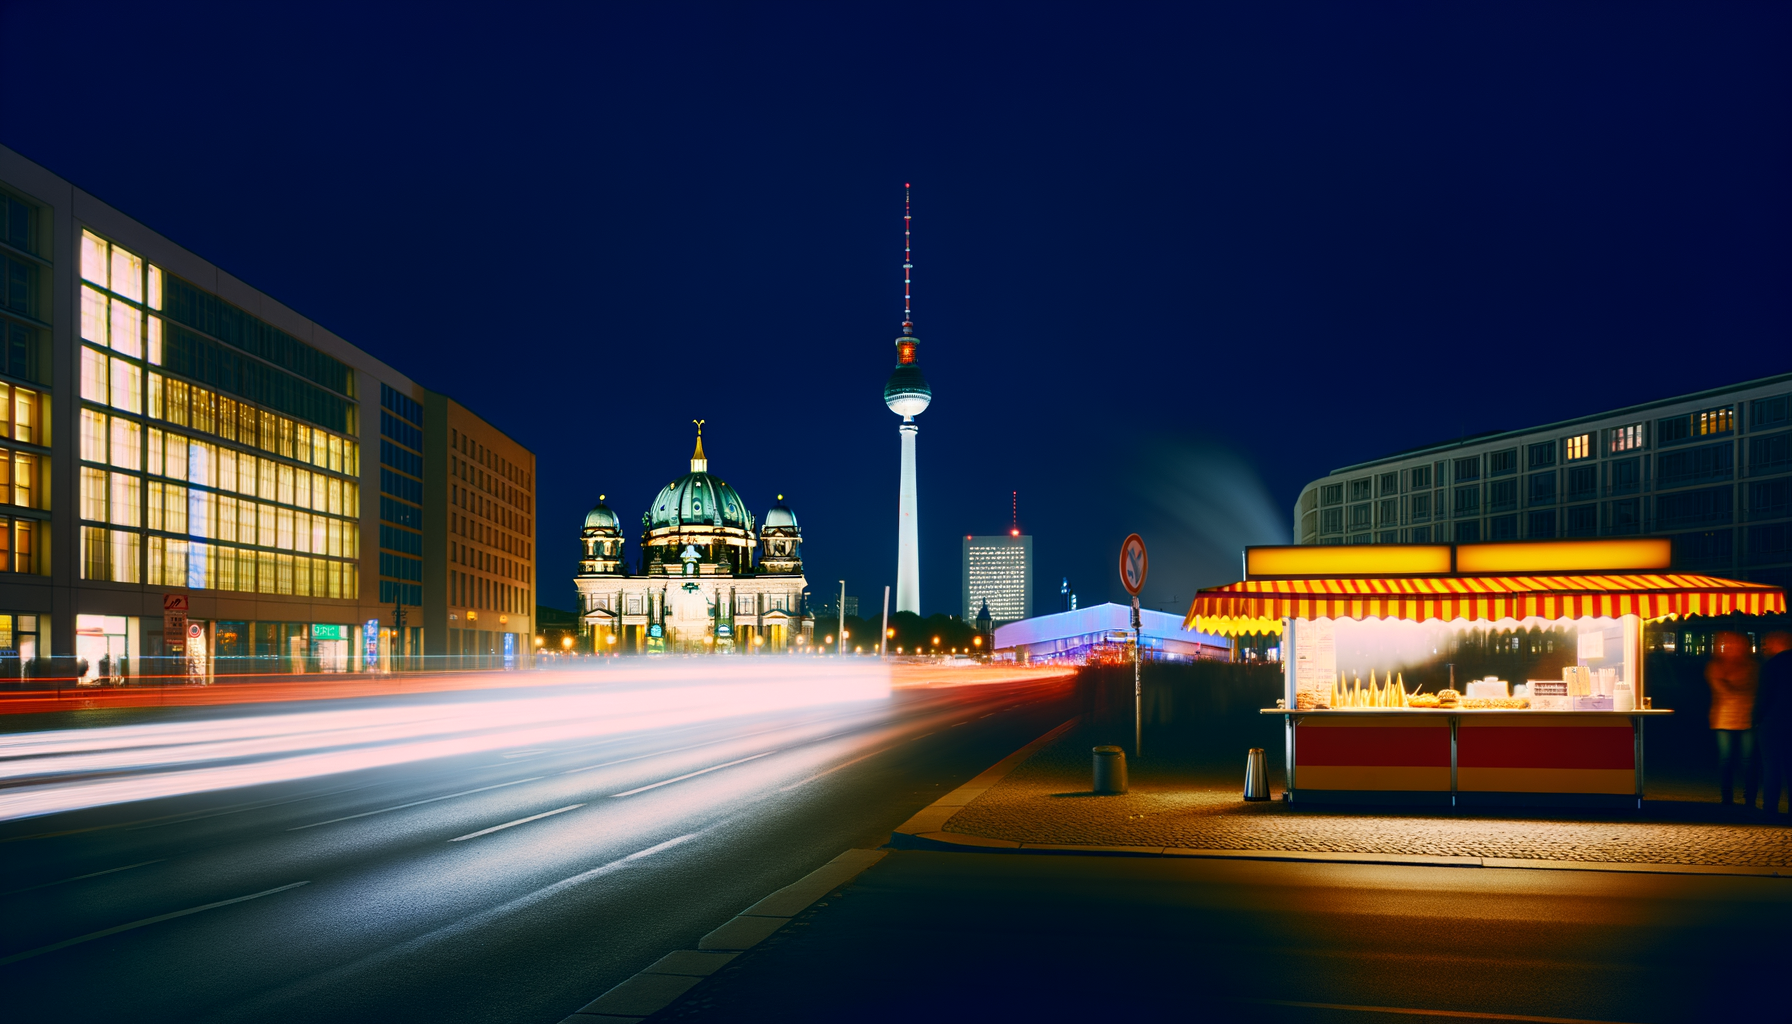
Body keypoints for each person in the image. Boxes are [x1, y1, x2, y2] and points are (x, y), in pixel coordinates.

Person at [1706, 631, 1758, 808]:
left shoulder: (1750, 666)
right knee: (1728, 760)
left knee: (1746, 761)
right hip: (1727, 719)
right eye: (1728, 645)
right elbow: (1725, 690)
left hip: (1743, 719)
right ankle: (1729, 798)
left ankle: (1747, 797)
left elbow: (1728, 689)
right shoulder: (1717, 667)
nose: (1732, 649)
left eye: (1736, 645)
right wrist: (1742, 689)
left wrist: (1732, 686)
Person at [1757, 631, 1792, 818]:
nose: (1764, 647)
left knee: (1772, 767)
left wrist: (1757, 718)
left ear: (1778, 643)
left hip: (1773, 722)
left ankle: (1770, 808)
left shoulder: (1772, 665)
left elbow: (1764, 696)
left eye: (1766, 643)